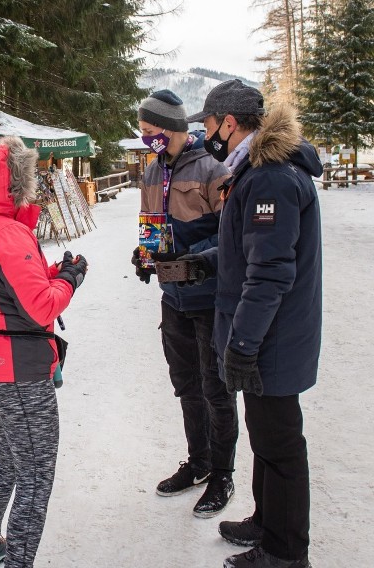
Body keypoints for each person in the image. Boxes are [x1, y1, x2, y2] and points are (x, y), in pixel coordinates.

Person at [182, 79, 321, 568]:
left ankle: (285, 553)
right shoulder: (256, 174)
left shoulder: (270, 179)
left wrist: (242, 343)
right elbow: (250, 252)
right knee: (265, 436)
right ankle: (267, 521)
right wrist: (202, 260)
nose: (208, 135)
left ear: (230, 122)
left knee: (280, 444)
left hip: (271, 339)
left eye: (210, 125)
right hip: (268, 334)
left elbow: (270, 272)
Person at [0, 137, 87, 568]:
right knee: (36, 473)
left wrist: (54, 271)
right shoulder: (8, 233)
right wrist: (71, 281)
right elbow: (42, 305)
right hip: (14, 371)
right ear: (10, 183)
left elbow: (4, 287)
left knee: (8, 458)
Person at [131, 89, 239, 518]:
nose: (145, 138)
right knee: (186, 384)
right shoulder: (152, 172)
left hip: (208, 297)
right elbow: (148, 225)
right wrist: (143, 255)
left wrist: (193, 255)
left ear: (172, 128)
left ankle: (222, 472)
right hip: (171, 297)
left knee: (217, 387)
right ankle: (198, 461)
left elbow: (231, 236)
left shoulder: (214, 169)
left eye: (149, 130)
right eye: (141, 132)